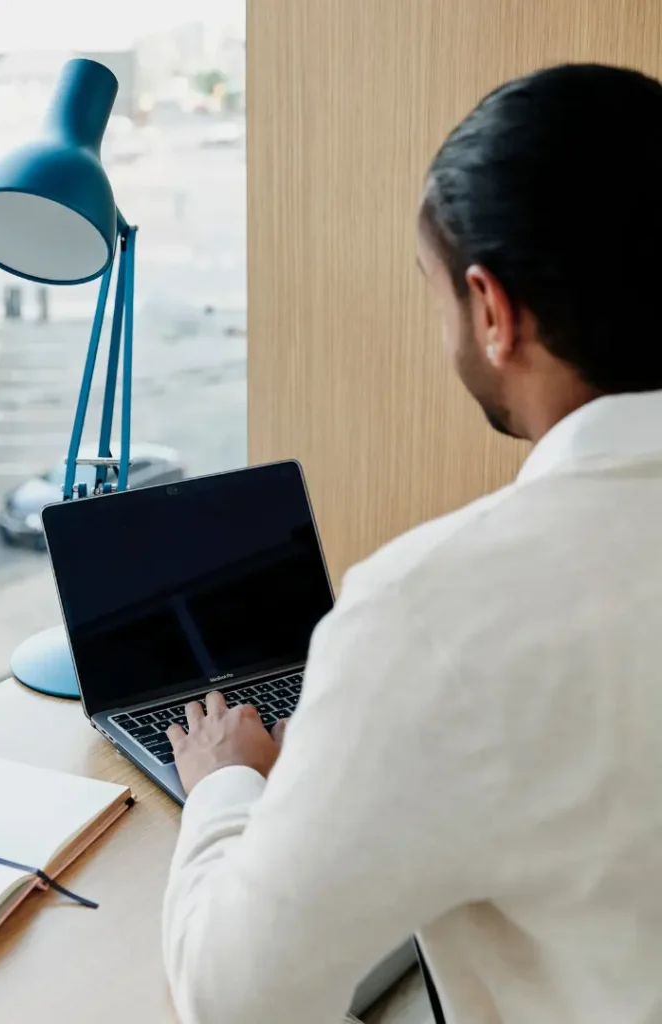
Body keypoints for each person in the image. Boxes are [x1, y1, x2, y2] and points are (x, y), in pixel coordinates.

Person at [162, 63, 662, 1024]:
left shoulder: (431, 610)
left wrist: (227, 785)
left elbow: (235, 1001)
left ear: (490, 309)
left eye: (434, 295)